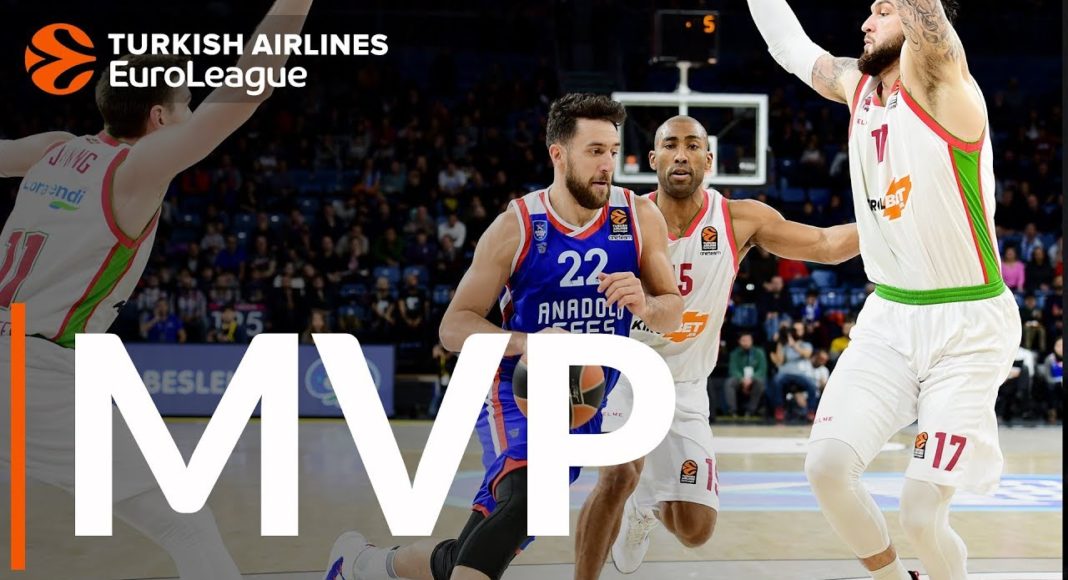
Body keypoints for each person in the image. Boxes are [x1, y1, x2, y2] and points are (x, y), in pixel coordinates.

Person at [0, 2, 314, 578]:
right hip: (31, 368)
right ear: (158, 116)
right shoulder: (134, 169)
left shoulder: (50, 148)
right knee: (184, 524)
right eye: (186, 104)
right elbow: (250, 88)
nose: (192, 113)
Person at [323, 93, 684, 580]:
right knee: (524, 500)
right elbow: (453, 327)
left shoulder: (638, 218)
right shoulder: (516, 226)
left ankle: (363, 564)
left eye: (614, 151)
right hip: (517, 392)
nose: (608, 164)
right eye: (595, 151)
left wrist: (646, 303)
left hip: (583, 401)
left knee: (484, 541)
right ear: (558, 153)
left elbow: (672, 314)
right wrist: (527, 343)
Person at [748, 1, 1021, 579]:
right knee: (826, 467)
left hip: (968, 327)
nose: (866, 21)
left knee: (920, 513)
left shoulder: (946, 85)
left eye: (884, 9)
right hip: (890, 317)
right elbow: (790, 47)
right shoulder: (859, 89)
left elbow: (929, 24)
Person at [579, 115, 859, 578]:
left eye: (693, 145)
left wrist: (892, 225)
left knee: (695, 529)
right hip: (625, 375)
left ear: (709, 160)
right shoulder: (621, 216)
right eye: (671, 145)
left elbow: (825, 244)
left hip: (688, 384)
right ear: (652, 159)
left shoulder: (736, 218)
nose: (681, 154)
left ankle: (644, 506)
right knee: (616, 478)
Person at [724, 332, 768, 417]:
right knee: (729, 382)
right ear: (739, 341)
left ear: (752, 341)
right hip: (740, 379)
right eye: (743, 340)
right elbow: (733, 369)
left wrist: (751, 379)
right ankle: (732, 410)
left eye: (748, 340)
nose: (746, 343)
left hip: (754, 379)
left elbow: (762, 369)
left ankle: (751, 410)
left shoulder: (759, 353)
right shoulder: (734, 354)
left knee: (760, 382)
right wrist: (742, 379)